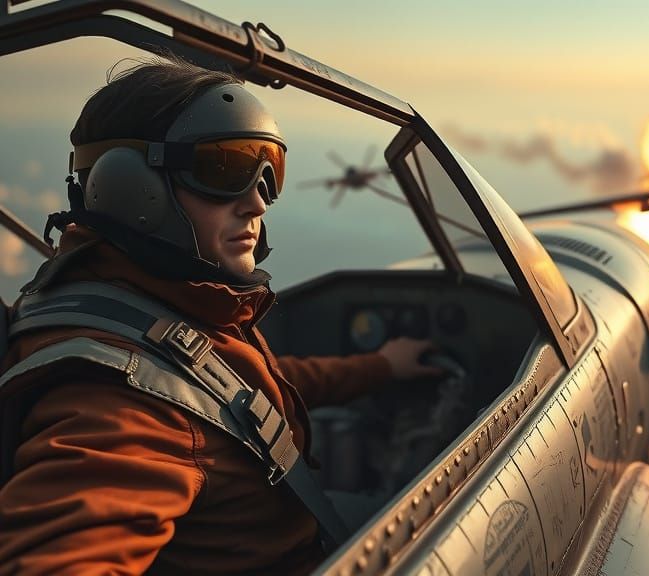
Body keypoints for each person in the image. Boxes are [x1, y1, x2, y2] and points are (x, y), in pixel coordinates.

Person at [0, 55, 441, 575]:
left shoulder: (124, 295)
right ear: (128, 186)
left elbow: (232, 395)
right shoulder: (122, 405)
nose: (258, 201)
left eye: (268, 171)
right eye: (224, 168)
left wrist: (380, 367)